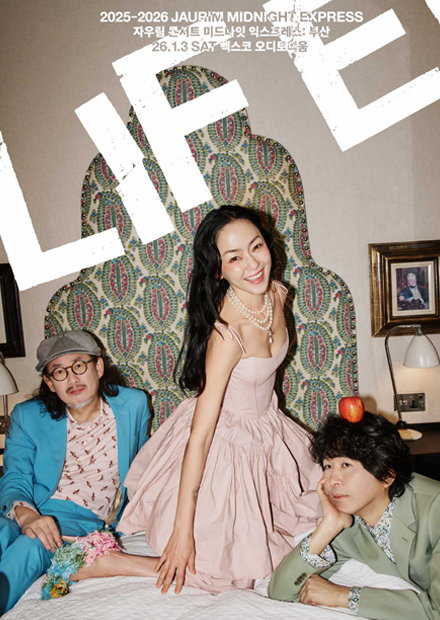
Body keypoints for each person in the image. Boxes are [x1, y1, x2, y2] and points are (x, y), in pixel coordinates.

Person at [76, 205, 322, 594]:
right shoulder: (227, 335)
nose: (253, 264)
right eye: (234, 257)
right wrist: (182, 529)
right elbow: (200, 437)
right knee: (227, 575)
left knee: (314, 515)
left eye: (256, 246)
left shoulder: (276, 294)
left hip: (267, 429)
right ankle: (117, 561)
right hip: (221, 442)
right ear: (218, 270)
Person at [0, 329, 151, 614]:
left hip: (78, 519)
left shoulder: (133, 405)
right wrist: (26, 514)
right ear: (49, 382)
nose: (72, 379)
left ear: (98, 366)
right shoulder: (27, 415)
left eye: (79, 365)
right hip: (28, 508)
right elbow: (15, 476)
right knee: (2, 530)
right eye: (59, 372)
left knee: (33, 544)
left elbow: (145, 467)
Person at [268, 411, 440, 620]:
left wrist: (345, 596)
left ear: (386, 474)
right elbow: (280, 592)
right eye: (328, 466)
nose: (332, 480)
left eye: (346, 465)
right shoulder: (349, 525)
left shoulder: (435, 509)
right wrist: (328, 526)